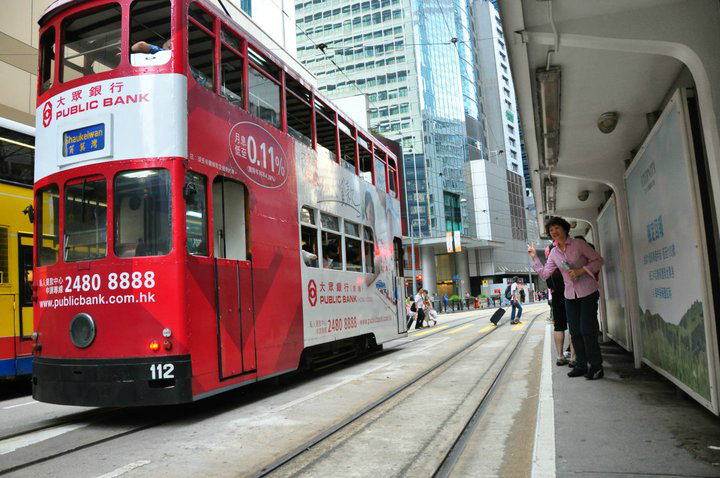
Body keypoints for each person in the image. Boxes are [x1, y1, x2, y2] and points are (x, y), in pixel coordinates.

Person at [529, 216, 605, 380]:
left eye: (556, 228)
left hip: (588, 292)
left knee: (587, 330)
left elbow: (598, 260)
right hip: (570, 295)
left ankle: (597, 366)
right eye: (551, 230)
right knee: (575, 331)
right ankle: (581, 365)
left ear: (564, 228)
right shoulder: (554, 253)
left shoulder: (578, 244)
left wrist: (581, 270)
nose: (554, 232)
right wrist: (535, 258)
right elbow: (544, 274)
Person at [545, 241, 573, 366]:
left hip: (556, 298)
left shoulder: (549, 269)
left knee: (559, 327)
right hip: (570, 296)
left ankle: (560, 356)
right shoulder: (564, 263)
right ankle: (573, 357)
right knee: (573, 326)